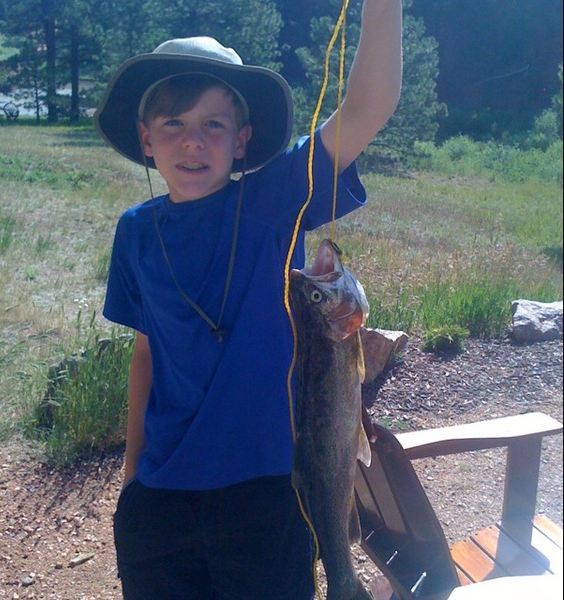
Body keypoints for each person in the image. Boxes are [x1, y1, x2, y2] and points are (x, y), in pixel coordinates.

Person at [93, 1, 402, 598]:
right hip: (159, 499)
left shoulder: (272, 201)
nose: (193, 141)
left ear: (241, 140)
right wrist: (132, 480)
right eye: (173, 123)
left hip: (267, 494)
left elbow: (370, 105)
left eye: (213, 125)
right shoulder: (135, 232)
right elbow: (147, 355)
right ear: (146, 139)